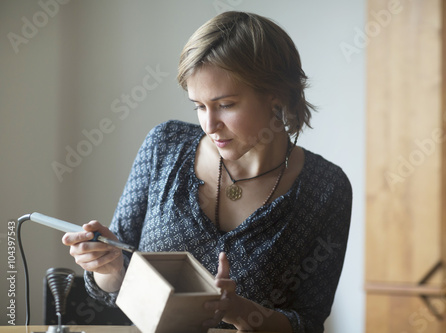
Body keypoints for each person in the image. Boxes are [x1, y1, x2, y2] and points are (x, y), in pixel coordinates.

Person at [62, 11, 352, 333]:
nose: (210, 125)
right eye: (199, 106)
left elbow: (307, 324)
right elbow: (113, 287)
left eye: (225, 104)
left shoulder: (326, 188)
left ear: (277, 96)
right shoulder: (164, 146)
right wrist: (109, 267)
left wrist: (242, 311)